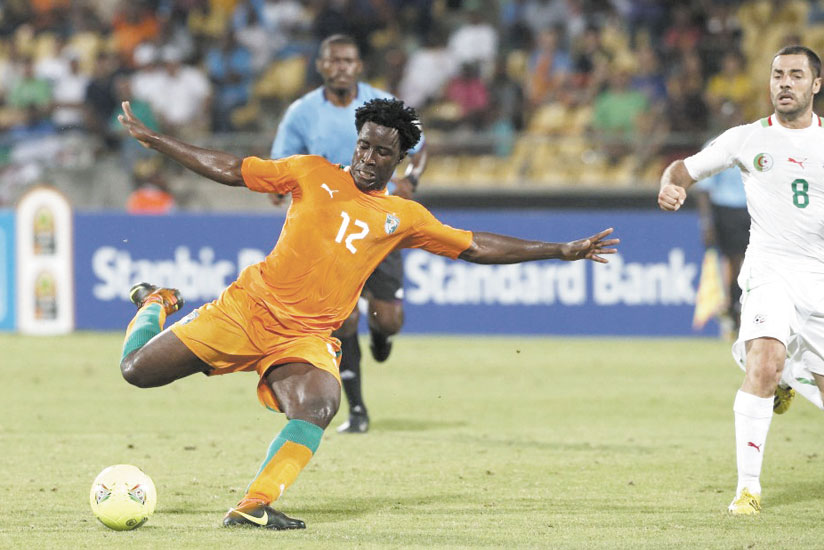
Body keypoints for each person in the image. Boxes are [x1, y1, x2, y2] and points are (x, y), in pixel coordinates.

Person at [117, 96, 619, 530]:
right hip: (247, 309)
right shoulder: (310, 171)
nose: (368, 157)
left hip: (305, 336)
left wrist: (559, 249)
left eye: (382, 151)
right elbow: (232, 169)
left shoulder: (404, 216)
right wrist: (158, 141)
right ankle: (156, 302)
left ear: (399, 159)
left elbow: (475, 246)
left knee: (319, 401)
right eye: (364, 145)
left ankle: (254, 505)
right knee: (136, 372)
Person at [658, 45, 824, 516]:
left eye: (796, 75)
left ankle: (790, 369)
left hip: (818, 277)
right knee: (763, 365)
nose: (784, 83)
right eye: (777, 75)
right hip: (769, 270)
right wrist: (671, 186)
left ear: (816, 84)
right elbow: (683, 169)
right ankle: (747, 490)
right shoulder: (747, 139)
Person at [270, 34, 428, 434]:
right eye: (333, 60)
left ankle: (382, 334)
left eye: (348, 60)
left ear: (359, 66)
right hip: (326, 230)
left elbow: (420, 146)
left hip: (378, 224)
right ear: (321, 66)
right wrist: (279, 187)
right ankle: (357, 410)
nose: (341, 66)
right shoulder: (302, 113)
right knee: (341, 320)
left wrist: (411, 179)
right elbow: (281, 161)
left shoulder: (383, 105)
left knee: (388, 319)